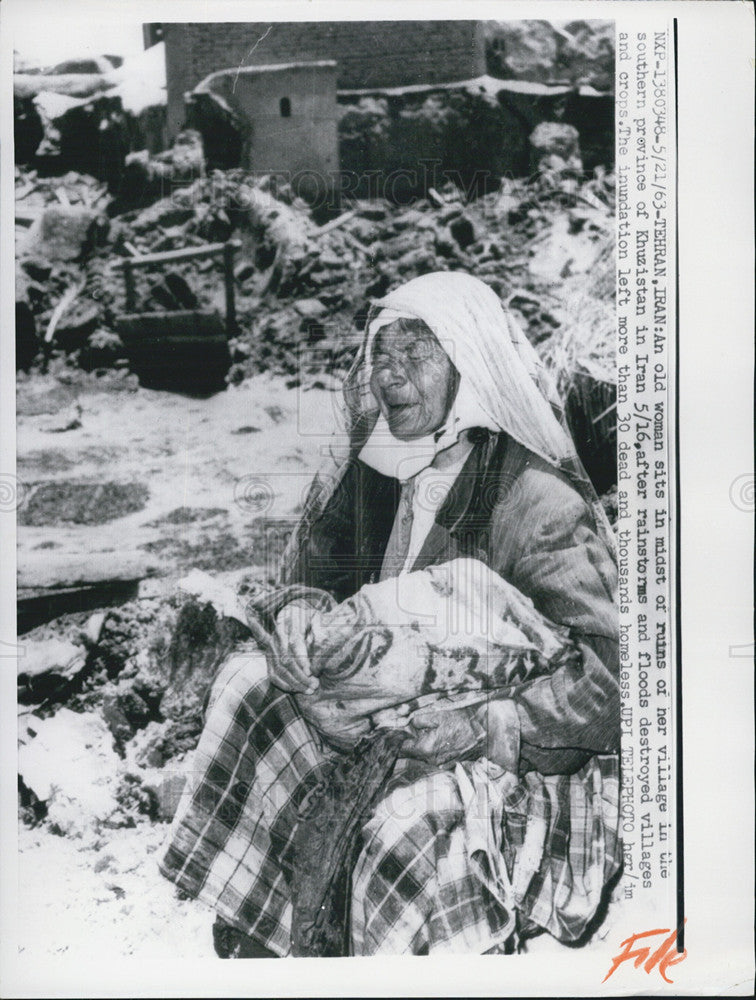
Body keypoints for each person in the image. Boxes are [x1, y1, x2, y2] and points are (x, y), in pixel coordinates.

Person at [159, 272, 620, 957]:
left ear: (469, 365)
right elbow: (307, 582)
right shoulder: (383, 469)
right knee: (244, 687)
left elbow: (608, 685)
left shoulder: (535, 504)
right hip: (383, 715)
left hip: (507, 758)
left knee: (402, 829)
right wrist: (295, 619)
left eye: (417, 356)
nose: (390, 378)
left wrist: (478, 726)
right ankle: (268, 938)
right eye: (381, 355)